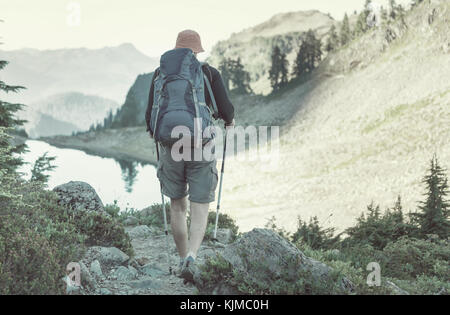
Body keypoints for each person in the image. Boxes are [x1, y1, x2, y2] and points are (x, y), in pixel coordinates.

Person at [145, 29, 235, 281]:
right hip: (201, 145)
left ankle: (181, 254)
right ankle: (192, 257)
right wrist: (229, 121)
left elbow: (149, 119)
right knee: (200, 205)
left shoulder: (160, 74)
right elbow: (226, 110)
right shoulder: (207, 72)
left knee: (177, 205)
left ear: (176, 49)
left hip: (171, 146)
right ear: (197, 50)